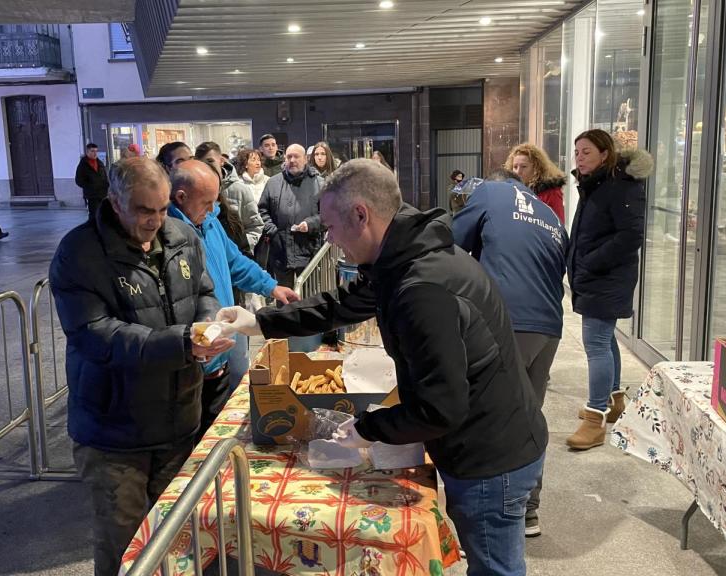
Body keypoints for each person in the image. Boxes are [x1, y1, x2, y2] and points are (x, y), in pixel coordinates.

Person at [219, 159, 547, 576]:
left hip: (490, 455)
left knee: (495, 569)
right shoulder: (403, 255)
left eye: (331, 228)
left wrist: (367, 429)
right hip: (492, 437)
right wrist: (260, 322)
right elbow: (341, 305)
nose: (332, 242)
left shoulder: (421, 287)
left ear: (361, 215)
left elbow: (440, 406)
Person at [49, 156, 233, 576]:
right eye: (144, 210)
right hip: (114, 434)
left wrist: (205, 326)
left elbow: (205, 291)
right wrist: (181, 343)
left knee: (176, 538)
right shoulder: (79, 253)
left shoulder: (183, 234)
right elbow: (96, 334)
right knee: (125, 545)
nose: (156, 220)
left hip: (178, 419)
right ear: (115, 203)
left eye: (164, 208)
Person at [452, 169, 567, 539]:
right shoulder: (548, 214)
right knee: (528, 417)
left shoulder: (489, 194)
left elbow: (449, 245)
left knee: (489, 416)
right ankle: (527, 511)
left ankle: (487, 523)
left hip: (508, 322)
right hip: (548, 327)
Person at [168, 160, 299, 438]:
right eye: (206, 202)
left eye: (214, 201)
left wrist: (272, 287)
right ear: (181, 197)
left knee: (223, 430)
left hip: (222, 348)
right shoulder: (171, 234)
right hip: (196, 359)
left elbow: (235, 262)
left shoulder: (210, 221)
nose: (212, 208)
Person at [566, 129, 652, 450]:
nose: (579, 157)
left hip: (607, 277)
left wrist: (591, 262)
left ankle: (595, 417)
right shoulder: (597, 185)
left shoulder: (620, 186)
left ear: (605, 153)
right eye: (577, 152)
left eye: (586, 152)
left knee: (596, 344)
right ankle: (614, 401)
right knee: (606, 339)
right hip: (596, 275)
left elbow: (630, 236)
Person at [257, 143, 323, 286]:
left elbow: (328, 214)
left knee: (307, 299)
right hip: (281, 251)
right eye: (289, 157)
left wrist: (310, 224)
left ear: (305, 159)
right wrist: (273, 231)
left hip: (308, 251)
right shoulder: (273, 183)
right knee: (283, 301)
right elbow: (262, 211)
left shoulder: (319, 183)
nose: (292, 160)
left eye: (296, 156)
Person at [195, 141, 264, 251]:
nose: (207, 167)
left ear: (221, 161)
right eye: (202, 163)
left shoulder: (239, 189)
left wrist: (242, 245)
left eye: (210, 161)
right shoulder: (195, 191)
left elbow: (255, 225)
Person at [505, 143, 567, 223]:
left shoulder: (551, 193)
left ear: (536, 168)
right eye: (515, 167)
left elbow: (558, 225)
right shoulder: (510, 191)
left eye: (524, 166)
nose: (518, 172)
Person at [75, 143, 108, 220]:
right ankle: (92, 229)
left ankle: (101, 229)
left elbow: (104, 177)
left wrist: (106, 186)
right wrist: (89, 187)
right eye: (92, 151)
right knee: (94, 214)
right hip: (92, 195)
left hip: (102, 193)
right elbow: (78, 180)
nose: (95, 153)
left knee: (102, 214)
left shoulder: (100, 163)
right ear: (87, 152)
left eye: (96, 151)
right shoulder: (83, 165)